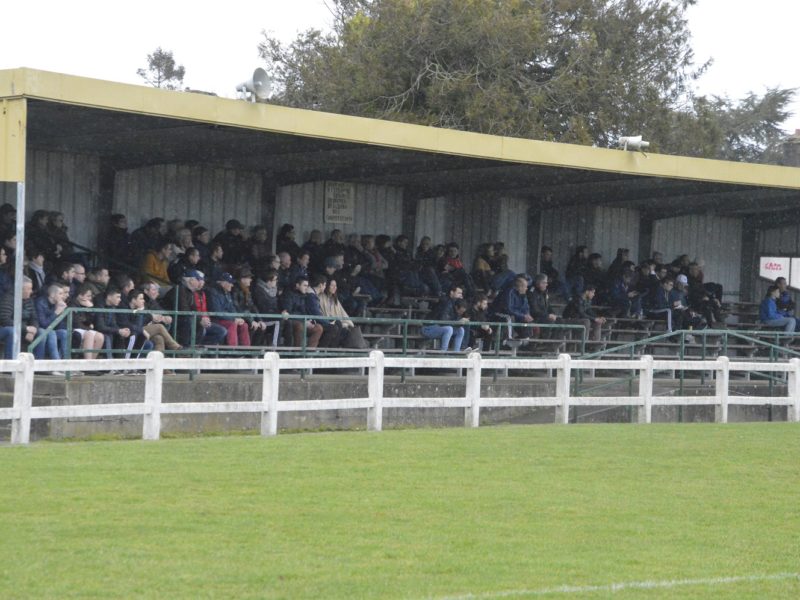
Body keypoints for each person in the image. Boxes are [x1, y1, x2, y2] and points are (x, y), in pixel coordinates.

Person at [162, 270, 227, 347]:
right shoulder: (179, 290)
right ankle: (186, 348)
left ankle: (198, 348)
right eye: (198, 280)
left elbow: (194, 310)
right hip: (174, 321)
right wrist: (199, 320)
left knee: (221, 331)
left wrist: (202, 319)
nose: (200, 282)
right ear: (191, 280)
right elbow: (184, 311)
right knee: (192, 323)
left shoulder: (190, 292)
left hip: (186, 319)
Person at [0, 277, 58, 361]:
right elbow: (4, 320)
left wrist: (33, 330)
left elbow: (34, 318)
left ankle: (37, 363)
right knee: (12, 331)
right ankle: (11, 362)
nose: (31, 291)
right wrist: (26, 328)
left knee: (41, 332)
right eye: (29, 289)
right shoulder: (8, 299)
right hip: (6, 329)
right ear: (21, 289)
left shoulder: (29, 300)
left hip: (24, 329)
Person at [320, 277, 369, 349]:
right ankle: (332, 349)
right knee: (338, 325)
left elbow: (342, 313)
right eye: (332, 285)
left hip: (336, 322)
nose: (334, 287)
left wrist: (349, 323)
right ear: (327, 286)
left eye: (335, 286)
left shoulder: (334, 299)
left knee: (346, 328)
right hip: (327, 322)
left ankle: (335, 348)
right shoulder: (321, 297)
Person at [208, 272, 251, 347]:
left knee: (244, 325)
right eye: (230, 283)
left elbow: (232, 308)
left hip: (227, 319)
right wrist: (233, 319)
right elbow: (217, 312)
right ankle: (233, 350)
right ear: (223, 283)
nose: (232, 285)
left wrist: (237, 318)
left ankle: (246, 350)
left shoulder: (227, 293)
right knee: (232, 324)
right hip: (216, 320)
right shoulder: (213, 292)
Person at [280, 275, 323, 348]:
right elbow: (288, 313)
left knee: (318, 328)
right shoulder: (288, 295)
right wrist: (304, 320)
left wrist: (310, 321)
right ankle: (297, 351)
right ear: (297, 285)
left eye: (307, 286)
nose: (307, 288)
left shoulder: (305, 296)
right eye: (304, 285)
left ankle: (310, 352)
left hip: (303, 321)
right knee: (299, 326)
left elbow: (305, 312)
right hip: (291, 321)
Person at [421, 286, 468, 351]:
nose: (461, 295)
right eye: (459, 293)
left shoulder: (456, 304)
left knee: (461, 330)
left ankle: (456, 352)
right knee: (449, 329)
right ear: (451, 292)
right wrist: (458, 322)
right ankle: (443, 352)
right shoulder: (445, 302)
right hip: (429, 327)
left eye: (461, 294)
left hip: (440, 327)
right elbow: (443, 321)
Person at [34, 284, 70, 359]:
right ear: (52, 295)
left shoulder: (58, 304)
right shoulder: (40, 302)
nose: (63, 296)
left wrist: (61, 313)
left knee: (64, 333)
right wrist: (56, 312)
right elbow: (43, 324)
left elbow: (61, 326)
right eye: (60, 294)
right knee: (51, 333)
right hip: (40, 330)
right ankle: (55, 362)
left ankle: (66, 361)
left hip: (51, 330)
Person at [70, 284, 106, 360]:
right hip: (74, 329)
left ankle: (91, 362)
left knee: (100, 336)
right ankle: (88, 360)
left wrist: (90, 309)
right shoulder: (72, 304)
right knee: (89, 334)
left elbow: (89, 321)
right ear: (80, 296)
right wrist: (88, 328)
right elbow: (76, 323)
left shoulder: (85, 305)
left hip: (84, 328)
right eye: (88, 296)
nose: (90, 298)